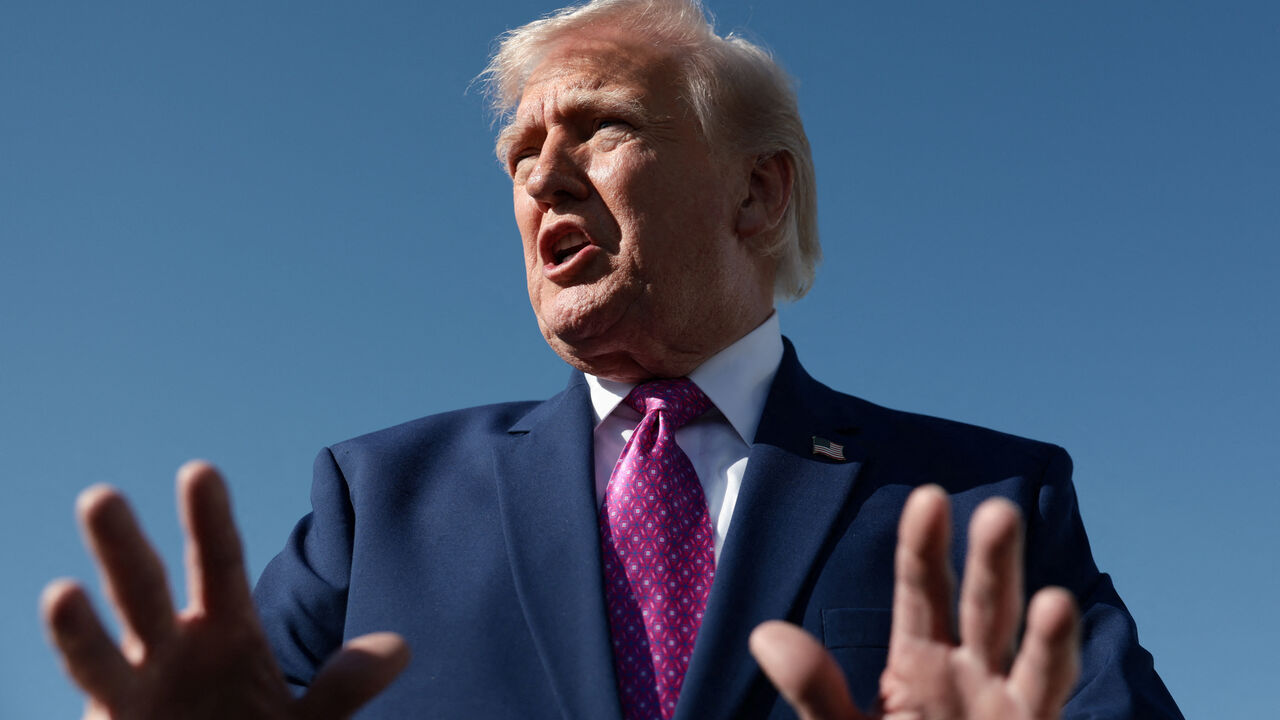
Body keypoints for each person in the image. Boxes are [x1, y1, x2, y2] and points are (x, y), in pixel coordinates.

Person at [41, 1, 1183, 718]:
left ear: (754, 188)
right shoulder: (376, 500)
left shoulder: (985, 500)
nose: (538, 175)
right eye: (517, 154)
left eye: (597, 126)